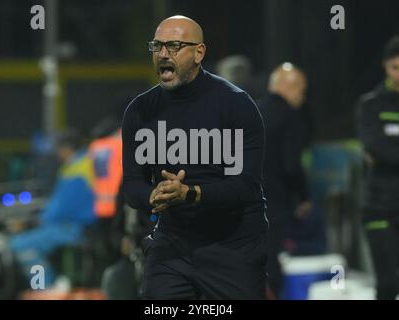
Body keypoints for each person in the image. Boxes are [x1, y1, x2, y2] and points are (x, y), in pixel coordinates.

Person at [122, 15, 268, 299]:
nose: (163, 54)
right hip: (171, 246)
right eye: (157, 46)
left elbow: (246, 186)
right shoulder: (140, 111)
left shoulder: (235, 105)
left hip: (233, 246)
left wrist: (190, 193)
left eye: (174, 45)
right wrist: (153, 196)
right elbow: (131, 184)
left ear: (199, 52)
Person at [355, 35, 399, 300]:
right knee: (388, 285)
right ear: (385, 67)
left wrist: (390, 154)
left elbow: (384, 153)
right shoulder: (371, 105)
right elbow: (376, 147)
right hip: (380, 207)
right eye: (395, 67)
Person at [10, 129, 96, 288]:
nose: (56, 154)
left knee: (20, 244)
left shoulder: (77, 170)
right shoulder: (86, 163)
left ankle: (44, 288)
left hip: (73, 228)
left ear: (65, 148)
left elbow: (58, 210)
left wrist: (33, 221)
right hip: (79, 225)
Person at [258, 63, 312, 298]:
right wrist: (303, 196)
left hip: (243, 202)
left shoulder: (252, 111)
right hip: (274, 203)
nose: (302, 97)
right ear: (291, 88)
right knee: (271, 267)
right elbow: (291, 165)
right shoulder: (291, 117)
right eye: (302, 90)